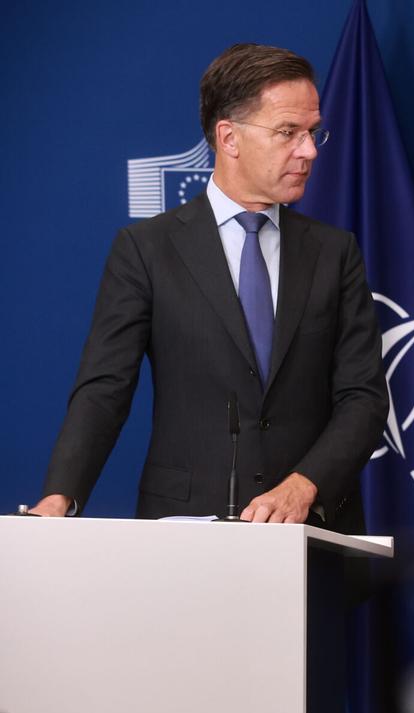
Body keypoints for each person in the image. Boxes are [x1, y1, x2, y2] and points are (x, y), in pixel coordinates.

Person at [27, 44, 388, 532]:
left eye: (312, 132)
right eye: (288, 132)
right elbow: (104, 389)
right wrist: (60, 498)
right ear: (229, 137)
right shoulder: (146, 249)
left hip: (313, 532)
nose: (308, 151)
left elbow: (364, 397)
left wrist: (304, 486)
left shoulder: (335, 252)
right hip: (185, 534)